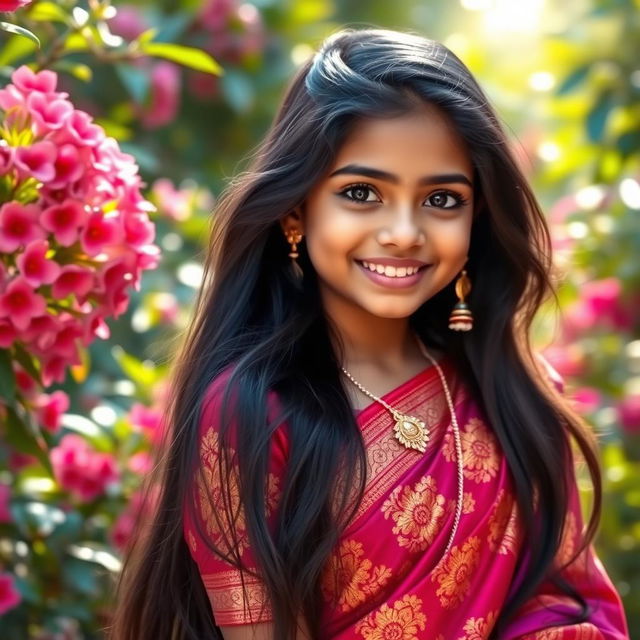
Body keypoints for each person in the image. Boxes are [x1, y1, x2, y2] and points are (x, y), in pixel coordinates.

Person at [110, 27, 630, 640]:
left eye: (442, 199)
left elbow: (568, 605)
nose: (405, 232)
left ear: (477, 216)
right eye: (362, 193)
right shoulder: (250, 412)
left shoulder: (513, 392)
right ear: (297, 208)